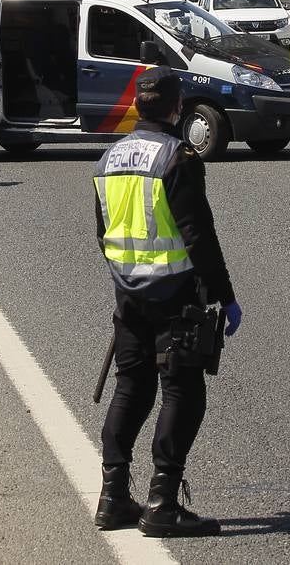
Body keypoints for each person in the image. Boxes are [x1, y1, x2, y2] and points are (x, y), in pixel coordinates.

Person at [93, 67, 242, 538]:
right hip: (176, 295)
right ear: (177, 108)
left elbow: (103, 233)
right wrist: (226, 296)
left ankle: (113, 498)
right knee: (183, 393)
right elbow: (199, 235)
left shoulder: (109, 158)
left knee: (130, 389)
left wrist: (130, 275)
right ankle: (162, 505)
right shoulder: (179, 158)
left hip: (128, 294)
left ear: (139, 105)